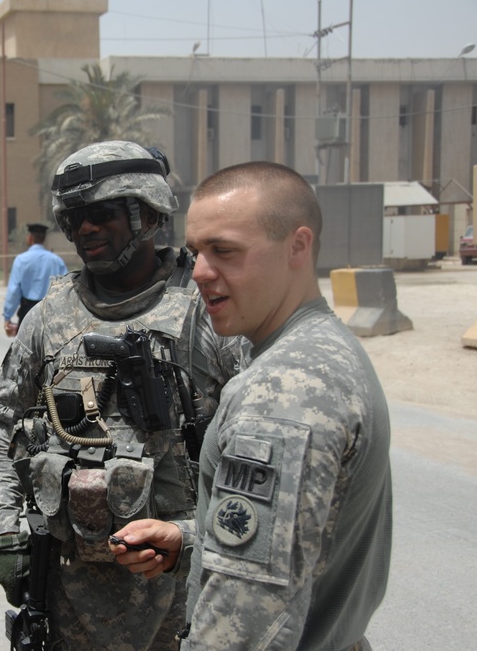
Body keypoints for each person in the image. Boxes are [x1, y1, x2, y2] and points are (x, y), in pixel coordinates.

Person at [111, 161, 392, 650]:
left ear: (297, 247)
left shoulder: (285, 389)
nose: (199, 272)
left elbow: (242, 627)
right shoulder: (321, 347)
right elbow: (297, 545)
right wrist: (193, 540)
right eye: (196, 252)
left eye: (224, 251)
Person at [0, 140, 242, 650]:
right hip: (67, 587)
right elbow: (3, 423)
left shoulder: (205, 310)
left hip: (177, 580)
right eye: (74, 218)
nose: (85, 230)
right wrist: (5, 528)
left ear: (147, 215)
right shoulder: (49, 317)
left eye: (102, 214)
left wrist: (205, 542)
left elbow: (248, 446)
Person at [2, 222, 68, 336]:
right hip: (50, 313)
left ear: (30, 238)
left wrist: (7, 316)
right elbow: (67, 288)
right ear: (44, 239)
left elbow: (14, 291)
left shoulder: (21, 260)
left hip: (28, 313)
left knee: (27, 351)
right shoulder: (56, 261)